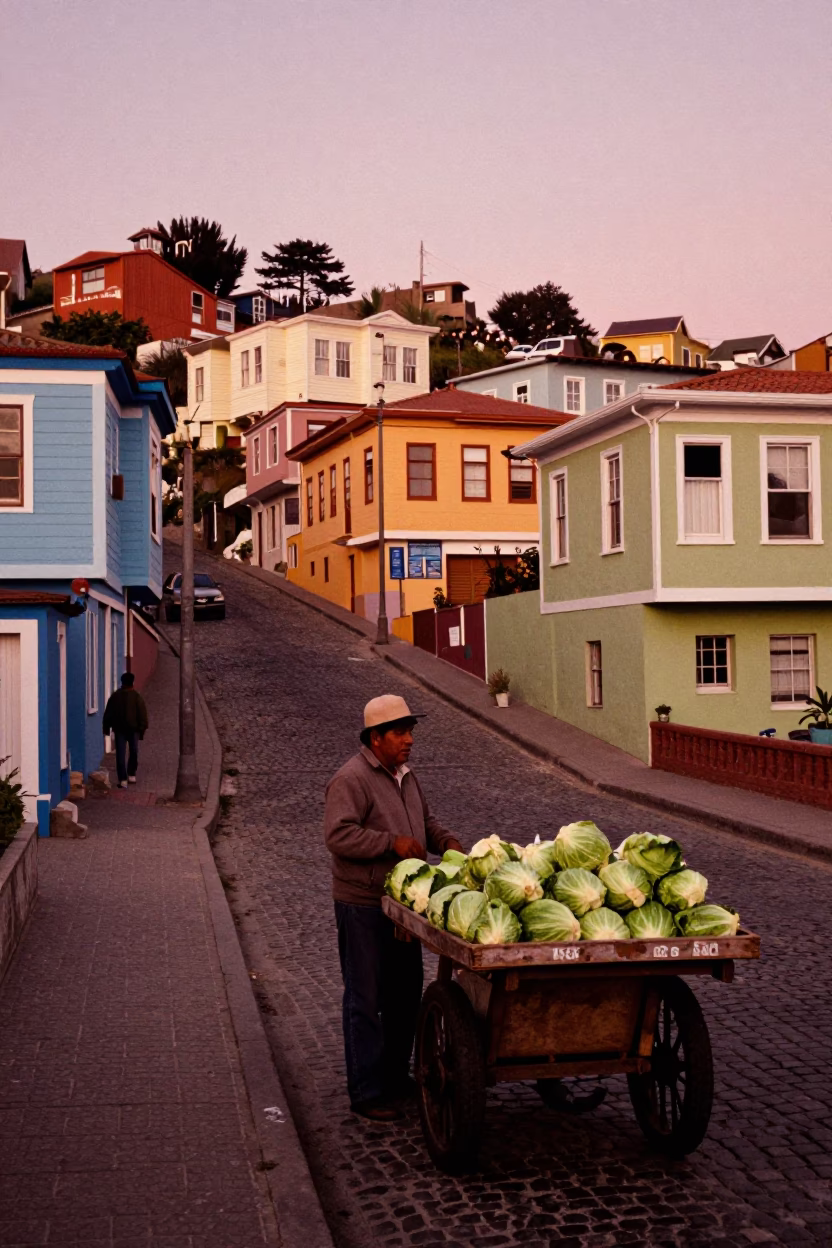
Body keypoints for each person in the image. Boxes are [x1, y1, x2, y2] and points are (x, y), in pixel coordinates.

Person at [324, 694, 463, 1124]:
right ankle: (366, 1091)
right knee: (365, 998)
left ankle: (395, 1075)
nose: (409, 740)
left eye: (410, 732)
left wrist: (446, 842)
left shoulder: (406, 776)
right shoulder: (351, 779)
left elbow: (425, 822)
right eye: (400, 733)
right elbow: (339, 836)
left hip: (403, 906)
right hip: (362, 903)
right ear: (376, 737)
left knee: (405, 993)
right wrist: (390, 843)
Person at [102, 672, 149, 789]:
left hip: (120, 730)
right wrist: (142, 728)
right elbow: (143, 714)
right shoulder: (137, 697)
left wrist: (106, 728)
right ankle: (131, 774)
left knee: (121, 754)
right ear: (132, 682)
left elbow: (108, 713)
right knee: (133, 752)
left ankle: (123, 779)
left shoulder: (115, 696)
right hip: (132, 730)